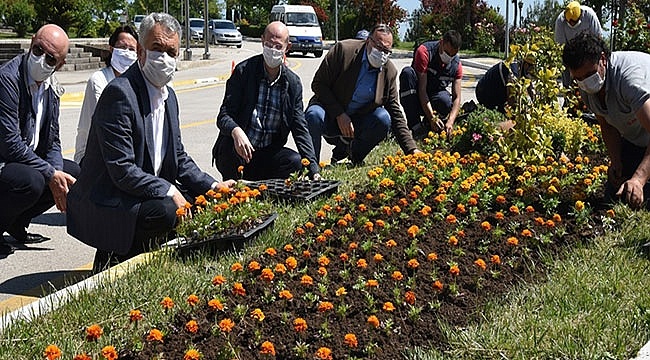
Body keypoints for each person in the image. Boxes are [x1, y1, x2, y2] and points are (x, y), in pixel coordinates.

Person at [67, 13, 235, 272]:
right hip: (112, 198)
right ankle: (114, 260)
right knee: (168, 210)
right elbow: (122, 170)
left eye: (171, 51)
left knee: (199, 202)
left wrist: (213, 187)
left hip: (142, 192)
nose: (165, 58)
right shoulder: (120, 94)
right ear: (141, 51)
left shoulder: (170, 97)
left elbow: (178, 158)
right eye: (157, 49)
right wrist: (169, 190)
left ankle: (146, 256)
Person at [0, 24, 80, 256]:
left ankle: (16, 222)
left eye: (51, 59)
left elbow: (52, 140)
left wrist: (56, 174)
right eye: (37, 50)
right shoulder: (7, 79)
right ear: (32, 41)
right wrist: (50, 174)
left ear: (61, 64)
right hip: (5, 161)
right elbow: (10, 143)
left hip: (25, 162)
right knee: (34, 180)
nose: (41, 59)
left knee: (72, 174)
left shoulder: (51, 87)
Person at [212, 21, 320, 181]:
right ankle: (233, 188)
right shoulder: (244, 72)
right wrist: (236, 130)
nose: (273, 51)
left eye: (278, 46)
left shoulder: (293, 84)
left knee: (295, 162)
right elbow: (224, 115)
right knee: (227, 147)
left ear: (287, 47)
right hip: (240, 151)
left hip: (267, 153)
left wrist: (313, 169)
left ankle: (265, 189)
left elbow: (299, 127)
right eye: (269, 44)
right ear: (262, 41)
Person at [305, 24, 419, 166]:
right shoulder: (343, 51)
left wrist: (412, 150)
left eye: (386, 50)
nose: (381, 53)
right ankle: (311, 168)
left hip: (357, 122)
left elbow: (395, 112)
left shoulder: (389, 72)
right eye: (378, 46)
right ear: (368, 41)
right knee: (313, 114)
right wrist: (339, 114)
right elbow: (318, 84)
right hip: (329, 113)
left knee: (383, 118)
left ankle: (354, 155)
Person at [562, 31, 650, 209]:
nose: (585, 83)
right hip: (639, 138)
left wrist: (639, 178)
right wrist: (616, 161)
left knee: (644, 198)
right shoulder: (588, 90)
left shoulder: (629, 81)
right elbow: (607, 126)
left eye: (589, 74)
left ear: (602, 59)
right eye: (578, 79)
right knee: (615, 195)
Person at [74, 26, 139, 164]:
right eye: (122, 47)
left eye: (132, 49)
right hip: (95, 156)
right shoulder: (99, 80)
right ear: (111, 49)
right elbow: (111, 129)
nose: (126, 53)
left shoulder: (137, 83)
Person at [399, 30, 463, 139]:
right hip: (417, 95)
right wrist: (432, 117)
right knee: (407, 73)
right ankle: (416, 126)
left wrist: (450, 121)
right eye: (447, 53)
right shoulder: (424, 52)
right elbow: (422, 90)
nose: (450, 57)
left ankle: (432, 125)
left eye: (453, 55)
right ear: (441, 42)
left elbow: (457, 98)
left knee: (446, 101)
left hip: (434, 95)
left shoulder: (457, 65)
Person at [555, 1, 602, 87]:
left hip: (588, 53)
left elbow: (597, 39)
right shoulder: (560, 21)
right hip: (570, 53)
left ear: (580, 15)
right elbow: (560, 46)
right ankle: (568, 95)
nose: (571, 24)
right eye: (569, 22)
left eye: (574, 22)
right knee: (567, 80)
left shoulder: (590, 15)